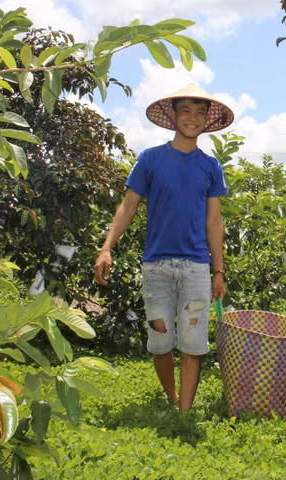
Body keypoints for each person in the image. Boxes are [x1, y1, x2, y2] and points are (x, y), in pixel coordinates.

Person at [94, 83, 233, 412]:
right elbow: (127, 206)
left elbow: (214, 222)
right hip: (156, 264)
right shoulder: (150, 159)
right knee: (160, 340)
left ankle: (184, 413)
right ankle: (172, 398)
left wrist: (219, 271)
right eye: (186, 110)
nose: (192, 118)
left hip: (197, 267)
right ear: (173, 116)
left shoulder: (210, 167)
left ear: (206, 121)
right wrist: (106, 247)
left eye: (200, 113)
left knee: (193, 342)